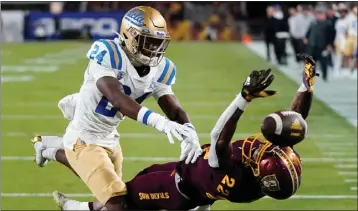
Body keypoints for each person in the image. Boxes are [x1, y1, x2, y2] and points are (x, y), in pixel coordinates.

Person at [43, 55, 317, 210]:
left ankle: (70, 197)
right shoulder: (268, 170)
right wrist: (307, 87)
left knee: (121, 203)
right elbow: (297, 119)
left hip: (177, 188)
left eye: (264, 155)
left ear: (259, 172)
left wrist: (243, 98)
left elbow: (218, 136)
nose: (263, 147)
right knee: (119, 193)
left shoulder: (234, 175)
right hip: (188, 177)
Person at [31, 6, 202, 211]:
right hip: (84, 136)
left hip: (110, 137)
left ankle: (51, 158)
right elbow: (117, 98)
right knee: (116, 203)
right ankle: (55, 154)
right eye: (147, 43)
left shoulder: (162, 68)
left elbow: (173, 109)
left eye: (158, 43)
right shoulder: (109, 53)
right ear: (129, 36)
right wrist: (161, 124)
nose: (154, 50)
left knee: (114, 194)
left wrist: (190, 133)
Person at [305, 5, 334, 81]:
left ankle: (325, 75)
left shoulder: (328, 24)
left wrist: (329, 45)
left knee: (323, 62)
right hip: (313, 45)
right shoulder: (314, 23)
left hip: (323, 46)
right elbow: (309, 31)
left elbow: (331, 36)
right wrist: (306, 37)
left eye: (320, 14)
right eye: (318, 14)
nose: (318, 16)